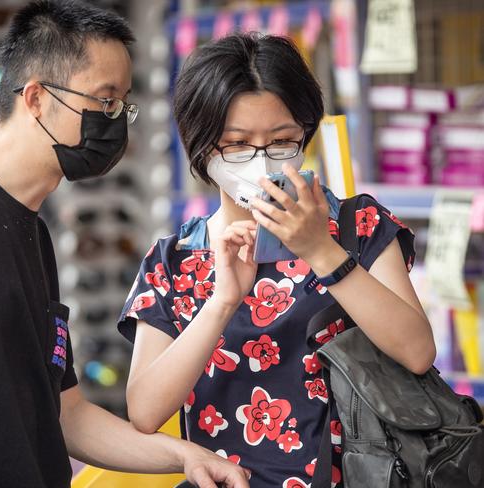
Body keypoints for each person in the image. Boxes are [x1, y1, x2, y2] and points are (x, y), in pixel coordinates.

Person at [0, 2, 251, 487]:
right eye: (104, 100)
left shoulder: (34, 233)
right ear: (35, 97)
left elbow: (66, 413)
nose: (115, 121)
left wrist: (185, 455)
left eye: (122, 105)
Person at [120, 33, 436, 487]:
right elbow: (145, 412)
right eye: (237, 145)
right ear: (202, 147)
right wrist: (222, 302)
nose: (261, 161)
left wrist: (321, 251)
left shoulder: (358, 226)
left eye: (282, 141)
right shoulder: (174, 261)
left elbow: (418, 352)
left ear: (306, 136)